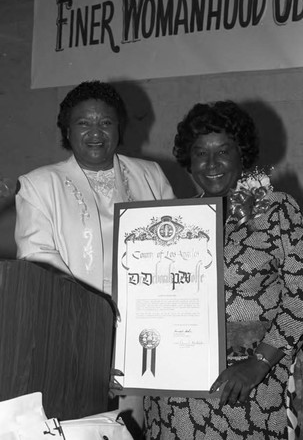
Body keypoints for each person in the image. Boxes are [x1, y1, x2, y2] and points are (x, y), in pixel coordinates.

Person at [144, 100, 303, 439]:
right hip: (175, 394)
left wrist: (259, 363)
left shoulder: (276, 210)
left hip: (250, 389)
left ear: (242, 154)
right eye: (200, 152)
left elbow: (300, 297)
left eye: (223, 151)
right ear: (189, 160)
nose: (211, 163)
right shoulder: (173, 222)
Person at [15, 80, 174, 295]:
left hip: (148, 304)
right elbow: (35, 257)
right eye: (83, 123)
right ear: (68, 131)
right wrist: (92, 304)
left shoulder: (150, 174)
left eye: (106, 123)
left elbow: (175, 241)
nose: (96, 133)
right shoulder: (38, 185)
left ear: (119, 128)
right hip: (76, 311)